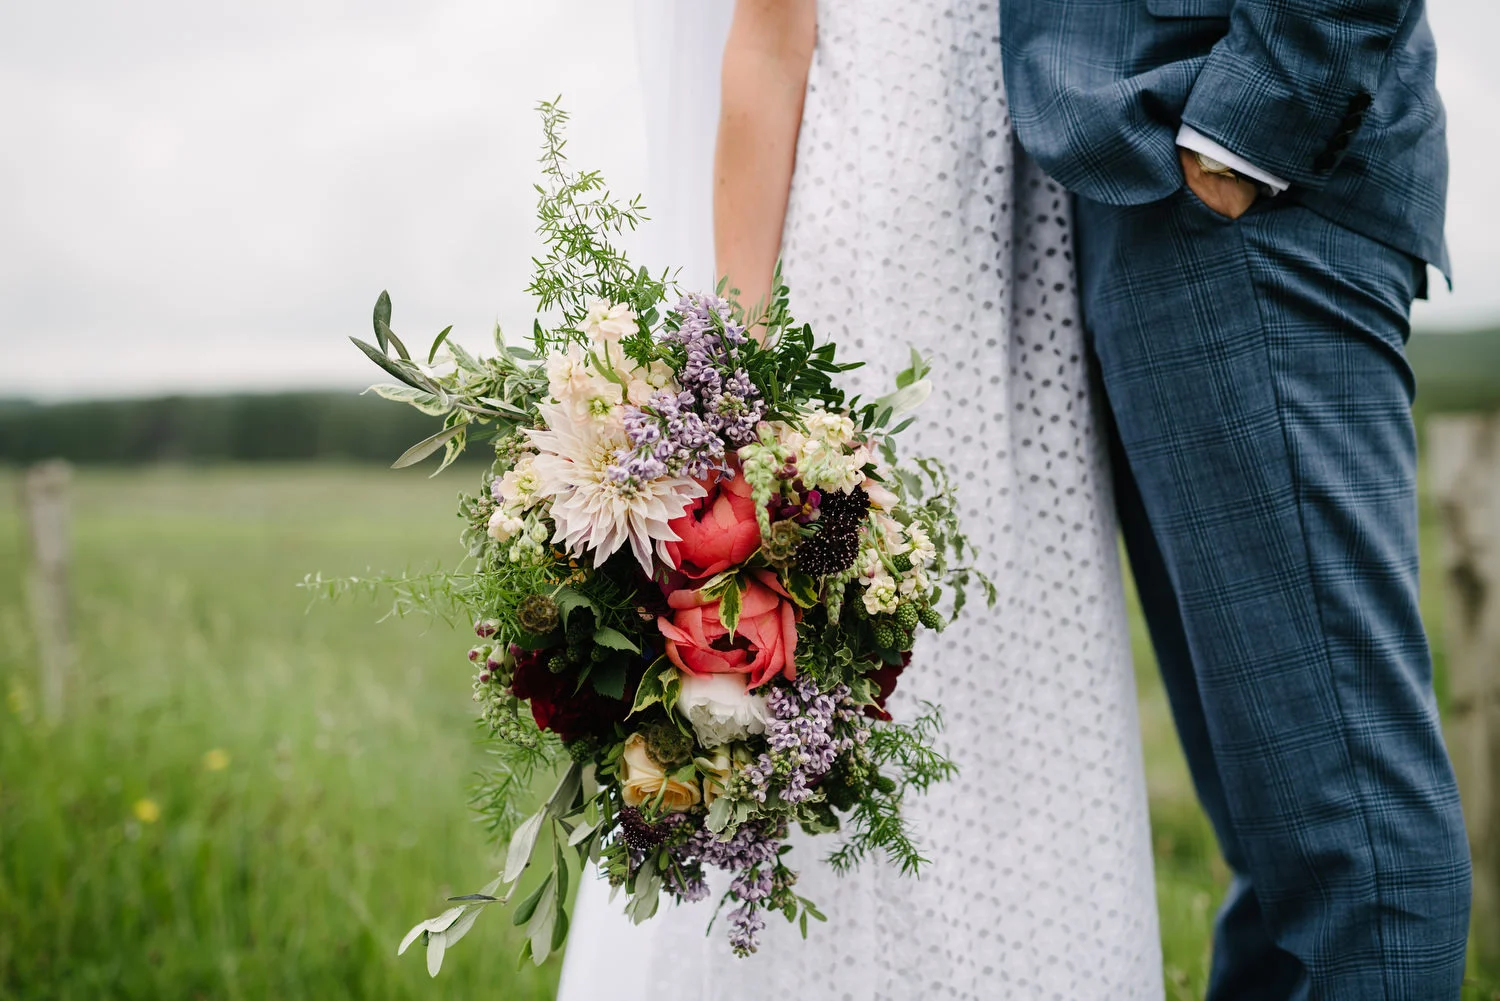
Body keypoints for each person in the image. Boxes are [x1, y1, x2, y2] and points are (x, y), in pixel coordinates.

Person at [556, 0, 1164, 996]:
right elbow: (770, 35)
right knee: (886, 690)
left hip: (1022, 254)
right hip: (886, 255)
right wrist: (735, 372)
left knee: (1020, 686)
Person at [999, 0, 1474, 996]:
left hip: (1250, 192)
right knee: (1283, 848)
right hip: (1145, 191)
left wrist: (1245, 128)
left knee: (1352, 840)